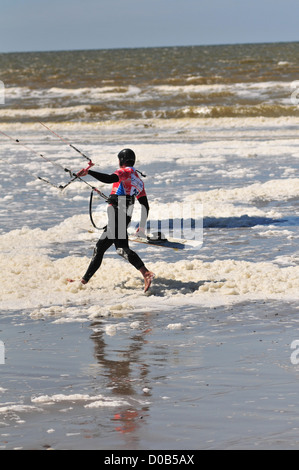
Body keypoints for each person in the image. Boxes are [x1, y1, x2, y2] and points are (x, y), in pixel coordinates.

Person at [72, 148, 155, 293]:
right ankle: (83, 281)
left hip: (118, 214)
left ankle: (146, 273)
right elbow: (145, 206)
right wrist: (141, 226)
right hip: (125, 215)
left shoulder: (125, 172)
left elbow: (110, 178)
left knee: (105, 248)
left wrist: (89, 172)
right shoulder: (139, 181)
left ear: (121, 160)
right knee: (114, 249)